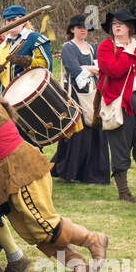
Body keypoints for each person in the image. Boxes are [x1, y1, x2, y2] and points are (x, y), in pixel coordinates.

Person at [0, 70, 109, 272]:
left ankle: (93, 239)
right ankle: (79, 266)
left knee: (44, 224)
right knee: (33, 231)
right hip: (6, 178)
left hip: (22, 172)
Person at [98, 7, 136, 202]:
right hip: (117, 103)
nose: (117, 27)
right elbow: (114, 70)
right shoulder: (106, 47)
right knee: (120, 148)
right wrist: (128, 54)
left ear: (130, 27)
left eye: (121, 24)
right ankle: (124, 192)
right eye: (114, 24)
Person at [51, 13, 110, 185]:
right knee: (77, 132)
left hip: (93, 95)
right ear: (73, 30)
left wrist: (89, 68)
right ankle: (69, 171)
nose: (82, 30)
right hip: (75, 95)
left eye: (85, 28)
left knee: (95, 129)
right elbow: (74, 70)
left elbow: (102, 68)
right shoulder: (68, 47)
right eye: (79, 28)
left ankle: (93, 172)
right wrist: (91, 69)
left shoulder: (93, 47)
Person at [0, 4, 51, 95]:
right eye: (8, 20)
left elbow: (46, 65)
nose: (11, 23)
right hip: (4, 96)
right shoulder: (2, 47)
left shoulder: (35, 39)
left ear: (23, 21)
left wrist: (24, 61)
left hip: (28, 93)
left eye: (14, 20)